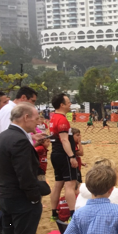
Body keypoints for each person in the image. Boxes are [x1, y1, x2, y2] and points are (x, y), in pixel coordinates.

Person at [0, 104, 48, 234]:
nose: (37, 122)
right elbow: (25, 175)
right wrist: (34, 198)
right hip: (21, 201)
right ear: (25, 117)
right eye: (35, 118)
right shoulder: (19, 140)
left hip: (6, 198)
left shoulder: (3, 137)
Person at [49, 93, 78, 223]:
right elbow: (64, 140)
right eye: (68, 102)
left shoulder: (53, 118)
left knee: (58, 184)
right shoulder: (62, 120)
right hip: (63, 154)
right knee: (70, 184)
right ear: (62, 105)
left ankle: (54, 213)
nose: (70, 104)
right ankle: (73, 215)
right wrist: (72, 156)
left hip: (55, 153)